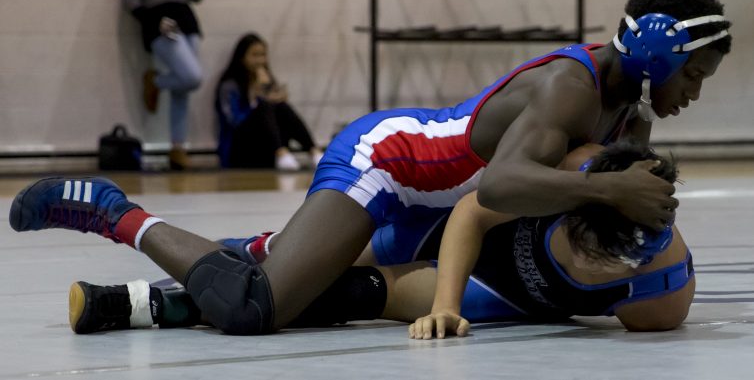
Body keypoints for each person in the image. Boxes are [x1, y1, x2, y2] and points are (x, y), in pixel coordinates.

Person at [11, 0, 729, 336]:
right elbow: (507, 184)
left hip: (433, 210)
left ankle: (158, 295)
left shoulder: (629, 119)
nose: (693, 94)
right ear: (659, 52)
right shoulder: (570, 86)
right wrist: (610, 194)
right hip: (392, 166)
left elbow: (543, 211)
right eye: (693, 75)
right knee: (261, 306)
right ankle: (113, 212)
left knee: (293, 279)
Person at [61, 141, 692, 335]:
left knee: (346, 295)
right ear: (581, 202)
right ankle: (117, 214)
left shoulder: (659, 296)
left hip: (506, 293)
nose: (593, 264)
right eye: (585, 244)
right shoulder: (574, 173)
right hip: (447, 230)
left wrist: (449, 306)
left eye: (613, 262)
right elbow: (473, 211)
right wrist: (444, 303)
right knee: (283, 262)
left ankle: (146, 302)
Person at [123, 0, 204, 170]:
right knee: (192, 77)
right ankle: (155, 81)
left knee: (183, 88)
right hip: (161, 24)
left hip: (187, 23)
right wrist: (153, 20)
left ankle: (177, 147)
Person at [215, 33, 324, 170]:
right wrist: (256, 97)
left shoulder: (266, 79)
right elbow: (233, 121)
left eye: (263, 55)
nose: (260, 61)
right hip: (239, 150)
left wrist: (276, 98)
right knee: (264, 105)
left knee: (282, 107)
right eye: (254, 55)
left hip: (264, 147)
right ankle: (281, 153)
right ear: (242, 57)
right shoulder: (229, 85)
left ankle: (313, 151)